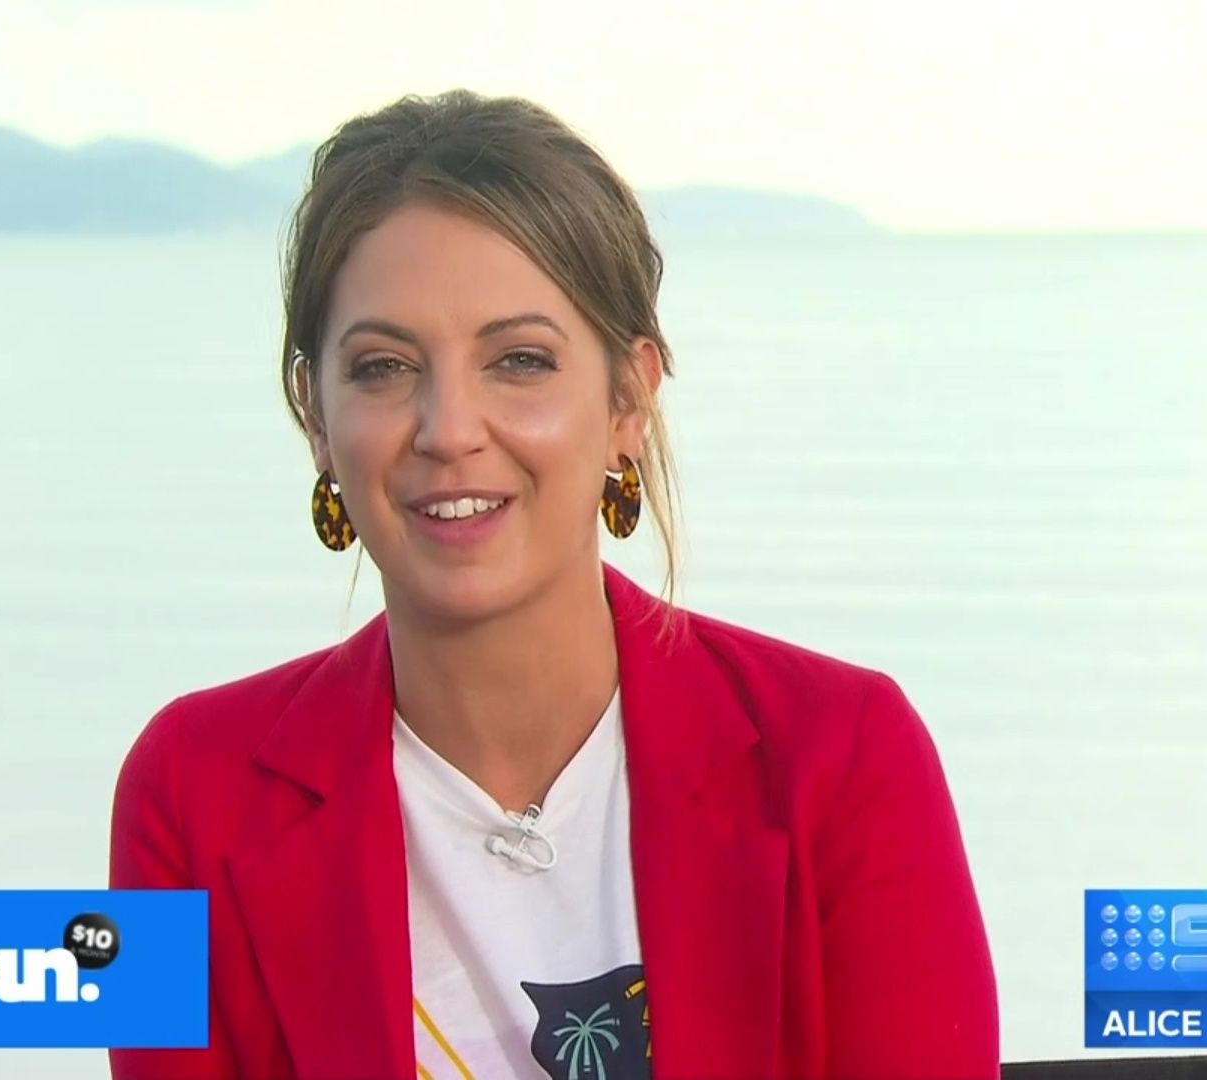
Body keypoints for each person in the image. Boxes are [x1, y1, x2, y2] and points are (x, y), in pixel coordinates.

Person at [109, 89, 998, 1079]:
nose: (449, 429)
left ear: (628, 400)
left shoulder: (847, 760)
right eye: (383, 367)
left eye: (520, 361)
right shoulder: (184, 794)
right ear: (315, 416)